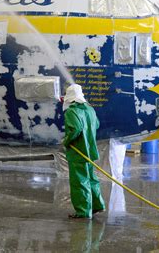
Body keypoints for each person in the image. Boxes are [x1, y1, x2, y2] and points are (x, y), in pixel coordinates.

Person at [62, 84, 105, 219]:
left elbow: (75, 129)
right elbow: (96, 124)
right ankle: (98, 205)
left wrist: (66, 141)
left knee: (79, 181)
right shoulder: (90, 109)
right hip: (90, 151)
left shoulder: (71, 111)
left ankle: (83, 211)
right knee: (91, 179)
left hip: (78, 151)